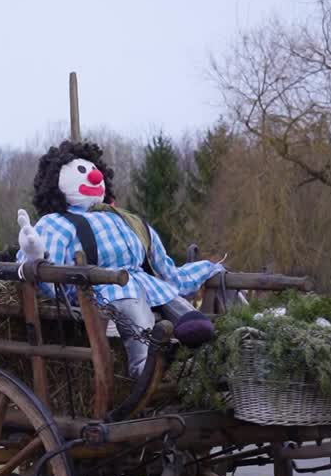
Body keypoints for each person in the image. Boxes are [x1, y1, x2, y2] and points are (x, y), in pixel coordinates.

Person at [16, 140, 223, 377]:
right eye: (81, 171)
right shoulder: (55, 223)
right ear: (55, 182)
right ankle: (143, 369)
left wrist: (206, 269)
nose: (93, 177)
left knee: (178, 305)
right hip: (103, 289)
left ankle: (197, 360)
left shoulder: (126, 219)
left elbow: (166, 270)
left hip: (144, 283)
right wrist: (35, 255)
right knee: (135, 310)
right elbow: (50, 280)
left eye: (94, 170)